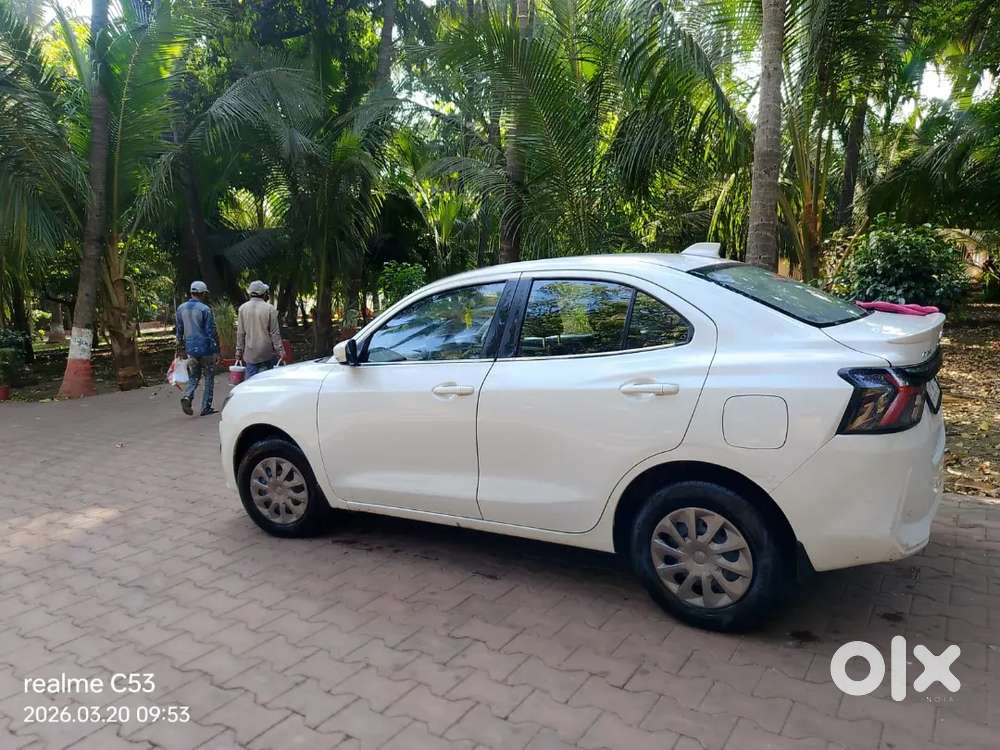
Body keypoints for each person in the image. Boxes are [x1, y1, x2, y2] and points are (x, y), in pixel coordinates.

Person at [175, 281, 219, 416]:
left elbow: (179, 330)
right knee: (209, 376)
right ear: (203, 293)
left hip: (190, 349)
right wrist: (216, 350)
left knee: (194, 375)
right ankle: (206, 407)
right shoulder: (205, 309)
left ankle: (187, 396)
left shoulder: (181, 308)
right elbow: (211, 331)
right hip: (205, 348)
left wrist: (180, 348)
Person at [236, 280, 283, 378]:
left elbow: (240, 333)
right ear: (263, 293)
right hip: (266, 352)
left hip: (250, 353)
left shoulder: (242, 308)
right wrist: (280, 350)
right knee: (266, 380)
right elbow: (274, 332)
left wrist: (239, 350)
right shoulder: (270, 308)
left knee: (250, 381)